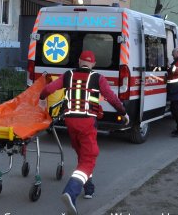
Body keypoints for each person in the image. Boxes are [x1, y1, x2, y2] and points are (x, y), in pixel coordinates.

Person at [39, 50, 129, 215]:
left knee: (82, 154)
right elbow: (110, 96)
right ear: (93, 64)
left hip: (70, 122)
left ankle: (88, 189)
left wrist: (42, 98)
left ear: (80, 61)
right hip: (87, 122)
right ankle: (71, 192)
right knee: (89, 157)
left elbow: (49, 88)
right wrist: (123, 112)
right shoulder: (97, 78)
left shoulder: (68, 75)